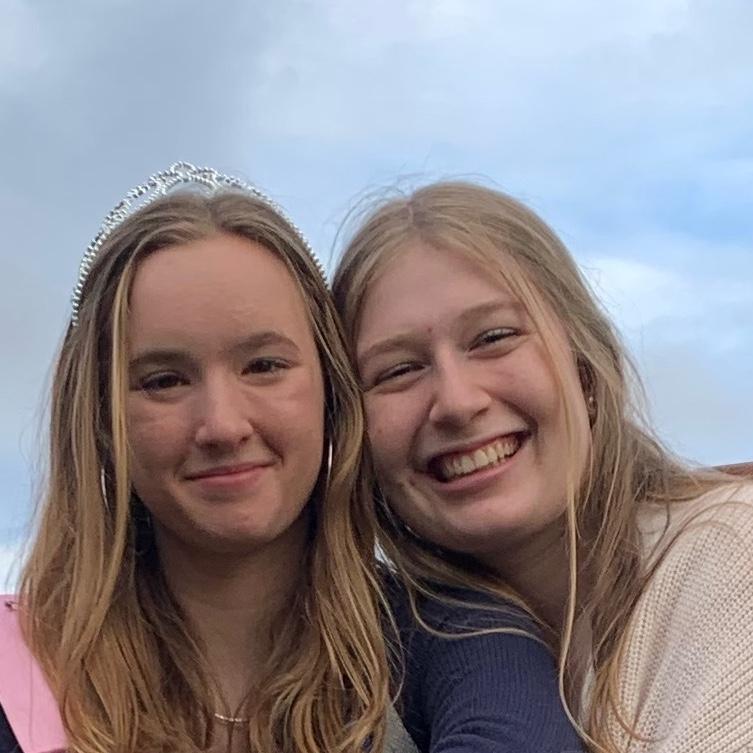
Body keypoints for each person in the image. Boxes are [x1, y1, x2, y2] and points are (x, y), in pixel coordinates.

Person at [0, 164, 583, 753]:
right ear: (101, 420)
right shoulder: (19, 669)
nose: (223, 426)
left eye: (264, 366)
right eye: (164, 380)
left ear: (332, 390)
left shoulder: (460, 640)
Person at [332, 180, 753, 753]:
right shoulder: (376, 671)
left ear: (584, 365)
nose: (457, 402)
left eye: (494, 338)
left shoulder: (729, 554)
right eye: (399, 370)